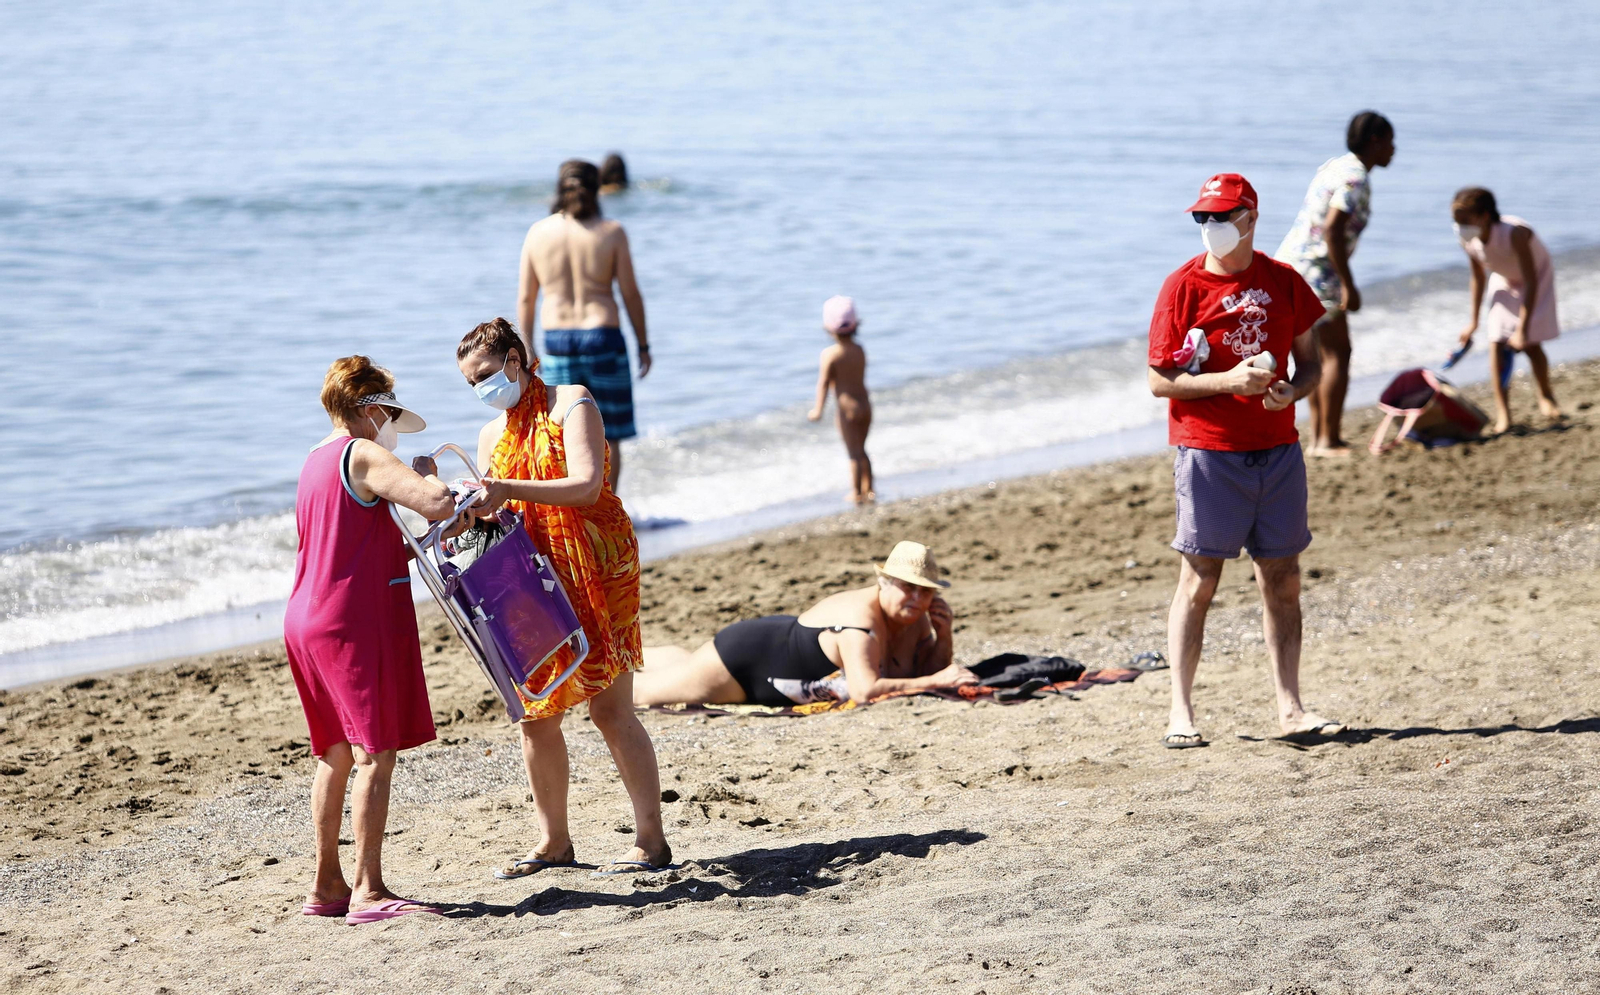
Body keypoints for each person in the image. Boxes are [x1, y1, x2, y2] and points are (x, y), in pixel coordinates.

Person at [454, 317, 670, 878]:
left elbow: (588, 484)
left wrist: (507, 490)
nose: (482, 389)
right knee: (535, 714)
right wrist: (463, 506)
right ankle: (554, 844)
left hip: (598, 562)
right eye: (469, 383)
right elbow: (497, 512)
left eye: (486, 375)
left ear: (515, 360)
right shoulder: (490, 436)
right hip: (530, 575)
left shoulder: (571, 403)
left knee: (610, 708)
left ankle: (651, 840)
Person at [1147, 173, 1342, 748]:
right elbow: (1159, 381)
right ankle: (1180, 714)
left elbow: (1311, 364)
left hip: (1278, 450)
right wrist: (1229, 379)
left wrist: (1292, 391)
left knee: (1282, 580)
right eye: (1202, 219)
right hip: (1209, 452)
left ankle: (1291, 709)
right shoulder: (1182, 286)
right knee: (1200, 578)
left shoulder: (1283, 281)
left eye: (1221, 218)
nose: (1210, 228)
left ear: (1250, 219)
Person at [285, 356, 460, 924]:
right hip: (351, 622)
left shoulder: (315, 459)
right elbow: (435, 503)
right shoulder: (362, 452)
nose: (387, 421)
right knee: (374, 754)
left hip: (306, 616)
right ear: (367, 408)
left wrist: (413, 541)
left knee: (334, 753)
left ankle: (326, 886)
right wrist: (430, 473)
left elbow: (350, 543)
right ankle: (369, 890)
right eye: (385, 410)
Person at [632, 541, 977, 707]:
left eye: (925, 591)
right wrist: (937, 680)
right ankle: (607, 663)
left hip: (779, 641)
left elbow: (927, 667)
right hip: (747, 664)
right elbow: (864, 691)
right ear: (884, 582)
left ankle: (641, 655)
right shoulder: (862, 619)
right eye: (908, 587)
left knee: (686, 663)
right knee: (640, 694)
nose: (917, 598)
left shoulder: (914, 615)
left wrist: (943, 634)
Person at [517, 159, 650, 491]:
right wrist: (644, 346)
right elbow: (631, 293)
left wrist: (527, 350)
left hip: (558, 340)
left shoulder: (538, 232)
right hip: (603, 336)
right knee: (610, 432)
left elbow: (525, 299)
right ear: (597, 188)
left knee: (565, 427)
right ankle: (607, 509)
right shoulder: (612, 232)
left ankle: (575, 506)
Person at [1275, 110, 1396, 456]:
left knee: (1314, 355)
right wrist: (1348, 284)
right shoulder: (1356, 178)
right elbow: (1332, 228)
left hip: (1290, 265)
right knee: (1337, 353)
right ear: (1374, 142)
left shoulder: (1335, 166)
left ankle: (1318, 439)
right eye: (1390, 142)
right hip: (1318, 272)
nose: (1393, 149)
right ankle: (1327, 439)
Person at [1452, 187, 1563, 431]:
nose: (1459, 226)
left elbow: (1531, 279)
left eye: (1464, 220)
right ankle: (1504, 413)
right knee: (1497, 342)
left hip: (1535, 279)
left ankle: (1546, 395)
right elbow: (1478, 277)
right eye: (1456, 221)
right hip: (1504, 280)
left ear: (1484, 216)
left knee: (1531, 344)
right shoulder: (1468, 239)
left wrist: (1522, 329)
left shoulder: (1514, 233)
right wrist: (1473, 321)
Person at [807, 295, 875, 503]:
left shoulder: (830, 355)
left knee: (853, 453)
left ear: (828, 328)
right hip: (865, 405)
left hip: (847, 409)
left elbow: (824, 383)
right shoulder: (859, 350)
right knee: (862, 449)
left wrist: (818, 409)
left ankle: (855, 492)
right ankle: (869, 488)